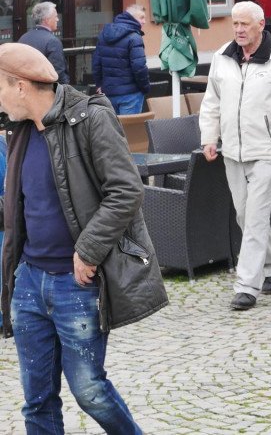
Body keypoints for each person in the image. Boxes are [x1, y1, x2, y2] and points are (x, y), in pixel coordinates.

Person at [0, 42, 167, 433]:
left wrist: (89, 251)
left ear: (21, 86)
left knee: (89, 390)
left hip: (77, 283)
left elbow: (126, 191)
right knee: (36, 400)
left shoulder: (89, 119)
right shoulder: (20, 131)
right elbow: (25, 205)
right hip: (29, 281)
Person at [199, 2, 271, 311]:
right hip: (232, 149)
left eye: (244, 24)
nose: (239, 30)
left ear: (261, 24)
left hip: (268, 150)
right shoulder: (223, 56)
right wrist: (209, 137)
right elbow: (211, 102)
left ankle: (247, 285)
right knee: (244, 215)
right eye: (235, 24)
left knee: (256, 216)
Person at [92, 4, 151, 114]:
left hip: (109, 94)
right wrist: (145, 88)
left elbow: (96, 64)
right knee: (129, 130)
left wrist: (99, 85)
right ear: (131, 18)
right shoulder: (134, 37)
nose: (144, 21)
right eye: (141, 17)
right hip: (131, 95)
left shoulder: (104, 34)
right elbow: (139, 67)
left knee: (113, 130)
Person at [18, 2, 68, 84]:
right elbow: (57, 74)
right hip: (46, 91)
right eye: (55, 16)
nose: (57, 19)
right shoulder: (52, 41)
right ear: (47, 19)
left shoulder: (23, 38)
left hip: (26, 90)